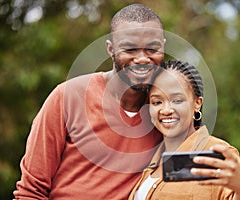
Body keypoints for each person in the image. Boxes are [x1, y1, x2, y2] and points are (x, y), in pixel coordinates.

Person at [13, 4, 166, 199]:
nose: (143, 58)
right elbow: (30, 191)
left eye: (152, 48)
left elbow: (195, 149)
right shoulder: (68, 96)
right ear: (111, 49)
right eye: (130, 48)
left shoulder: (164, 110)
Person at [129, 60, 240, 200]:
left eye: (177, 100)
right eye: (157, 102)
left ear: (197, 103)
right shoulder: (150, 161)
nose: (166, 110)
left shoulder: (215, 153)